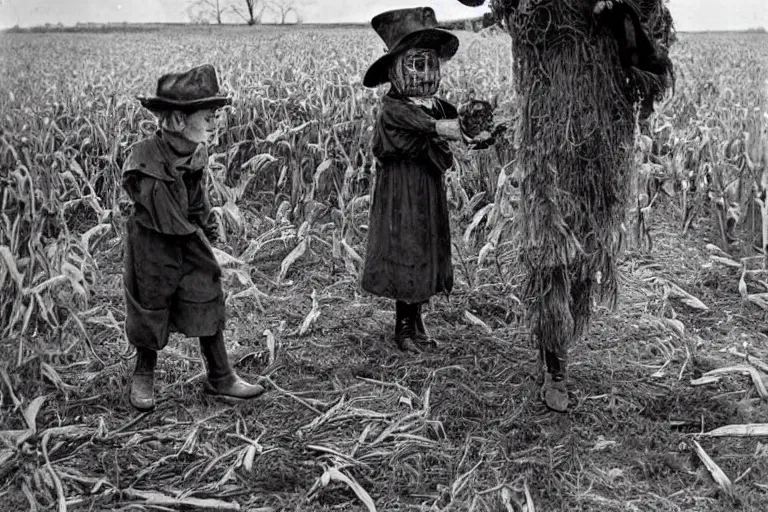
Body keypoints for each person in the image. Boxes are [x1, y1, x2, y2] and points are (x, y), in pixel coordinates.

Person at [122, 64, 264, 411]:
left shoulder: (194, 152)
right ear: (175, 120)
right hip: (153, 244)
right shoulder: (145, 160)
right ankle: (144, 373)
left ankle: (220, 376)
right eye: (208, 116)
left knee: (206, 292)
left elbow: (196, 195)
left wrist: (208, 224)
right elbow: (166, 215)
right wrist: (200, 240)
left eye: (216, 115)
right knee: (151, 304)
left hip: (187, 236)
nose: (215, 123)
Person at [361, 7, 495, 353]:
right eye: (416, 64)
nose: (425, 73)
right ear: (395, 69)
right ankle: (403, 327)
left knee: (425, 248)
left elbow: (456, 122)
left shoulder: (434, 104)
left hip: (426, 189)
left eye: (431, 64)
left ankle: (417, 323)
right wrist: (460, 130)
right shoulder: (395, 108)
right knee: (407, 248)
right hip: (402, 194)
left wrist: (481, 132)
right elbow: (433, 127)